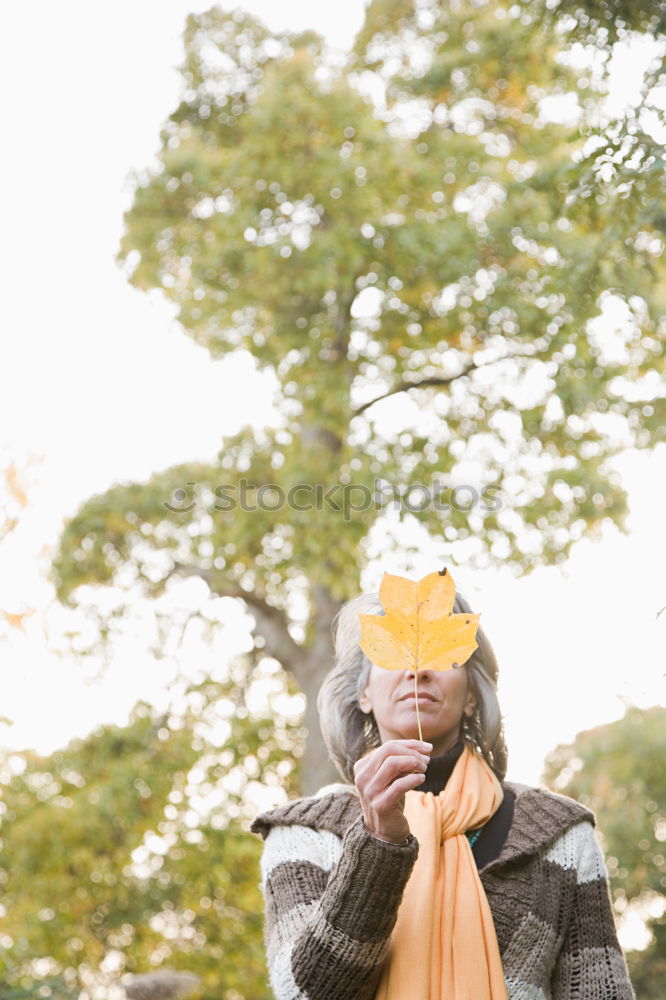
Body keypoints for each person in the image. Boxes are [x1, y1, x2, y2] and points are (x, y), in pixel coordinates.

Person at [250, 588, 636, 1000]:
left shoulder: (562, 835)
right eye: (392, 654)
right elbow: (307, 993)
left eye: (445, 655)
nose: (418, 671)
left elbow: (601, 992)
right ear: (363, 694)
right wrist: (379, 844)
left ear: (472, 695)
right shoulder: (301, 834)